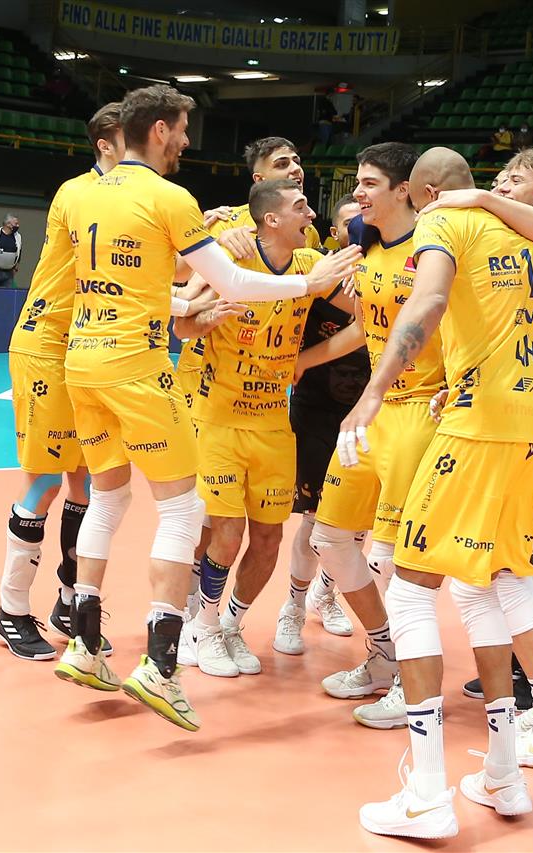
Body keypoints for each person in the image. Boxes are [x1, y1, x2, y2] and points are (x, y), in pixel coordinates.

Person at [51, 84, 359, 731]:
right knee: (184, 510)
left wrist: (186, 303)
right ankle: (162, 664)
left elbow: (107, 284)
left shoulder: (78, 193)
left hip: (82, 359)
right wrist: (309, 283)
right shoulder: (170, 197)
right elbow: (235, 281)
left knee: (108, 499)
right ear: (160, 129)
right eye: (183, 129)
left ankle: (85, 640)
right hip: (137, 367)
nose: (187, 142)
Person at [345, 147, 533, 839]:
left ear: (422, 191)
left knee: (411, 590)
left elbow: (427, 302)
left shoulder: (445, 222)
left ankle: (425, 792)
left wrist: (374, 390)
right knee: (493, 582)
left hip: (479, 427)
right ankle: (506, 771)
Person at [176, 179, 353, 679]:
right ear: (271, 219)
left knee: (269, 539)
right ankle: (203, 627)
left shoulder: (309, 265)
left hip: (274, 424)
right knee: (226, 533)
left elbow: (370, 313)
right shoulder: (229, 261)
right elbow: (183, 326)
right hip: (219, 421)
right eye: (301, 207)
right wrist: (209, 318)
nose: (312, 215)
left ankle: (231, 625)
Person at [295, 142, 445, 729]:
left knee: (399, 558)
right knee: (330, 538)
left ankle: (412, 683)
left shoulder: (436, 246)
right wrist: (303, 361)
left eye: (368, 183)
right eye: (357, 183)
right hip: (372, 411)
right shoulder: (367, 243)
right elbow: (364, 328)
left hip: (419, 413)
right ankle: (384, 653)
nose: (357, 193)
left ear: (404, 189)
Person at [436, 147, 533, 725]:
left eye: (513, 179)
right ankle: (522, 677)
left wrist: (476, 195)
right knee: (497, 560)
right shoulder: (504, 238)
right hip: (504, 408)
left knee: (518, 561)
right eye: (496, 178)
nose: (499, 184)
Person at [0, 103, 124, 662]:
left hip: (87, 352)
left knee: (85, 483)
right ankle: (10, 610)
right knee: (45, 482)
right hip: (46, 345)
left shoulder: (132, 197)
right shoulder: (78, 192)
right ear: (105, 145)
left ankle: (69, 604)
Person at [271, 195, 371, 658]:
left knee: (356, 523)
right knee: (313, 518)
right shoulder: (317, 276)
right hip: (317, 408)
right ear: (336, 234)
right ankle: (292, 606)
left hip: (368, 410)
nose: (360, 227)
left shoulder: (389, 274)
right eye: (351, 222)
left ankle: (325, 594)